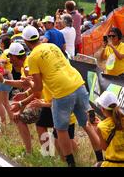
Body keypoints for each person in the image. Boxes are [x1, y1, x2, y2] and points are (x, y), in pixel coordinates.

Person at [19, 26, 103, 167]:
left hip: (61, 90)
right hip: (77, 82)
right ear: (38, 37)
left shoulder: (33, 57)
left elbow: (38, 88)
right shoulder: (52, 45)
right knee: (87, 125)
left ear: (26, 41)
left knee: (61, 130)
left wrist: (29, 84)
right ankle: (101, 160)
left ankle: (71, 163)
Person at [93, 91, 124, 167]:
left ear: (102, 109)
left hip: (113, 164)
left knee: (96, 165)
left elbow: (104, 148)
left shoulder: (101, 126)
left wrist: (96, 129)